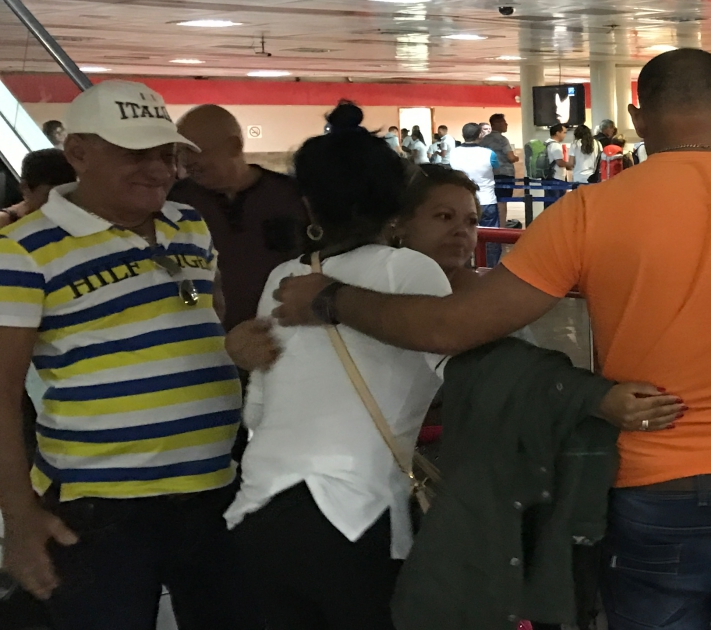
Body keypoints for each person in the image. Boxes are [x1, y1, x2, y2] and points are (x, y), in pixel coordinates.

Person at [257, 48, 711, 630]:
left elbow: (453, 326)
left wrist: (333, 298)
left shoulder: (589, 211)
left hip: (649, 487)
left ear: (635, 117)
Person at [0, 80, 260, 629]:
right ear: (79, 154)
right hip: (101, 509)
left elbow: (197, 296)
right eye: (135, 154)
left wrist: (198, 299)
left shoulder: (187, 225)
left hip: (214, 489)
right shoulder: (23, 250)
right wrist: (19, 518)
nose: (158, 169)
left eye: (165, 154)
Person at [226, 102, 449, 630]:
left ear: (307, 204)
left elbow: (256, 414)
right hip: (355, 513)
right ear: (398, 202)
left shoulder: (283, 276)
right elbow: (457, 368)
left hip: (260, 508)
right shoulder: (412, 272)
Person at [173, 104, 309, 331]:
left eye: (195, 150)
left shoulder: (290, 196)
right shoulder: (175, 202)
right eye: (180, 152)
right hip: (205, 337)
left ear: (233, 146)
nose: (186, 161)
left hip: (284, 335)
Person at [447, 122, 502, 267]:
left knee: (462, 236)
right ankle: (488, 269)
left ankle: (464, 269)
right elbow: (497, 170)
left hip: (462, 202)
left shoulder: (453, 153)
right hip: (487, 200)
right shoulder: (489, 154)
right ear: (480, 135)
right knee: (490, 239)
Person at [0, 149, 75, 229]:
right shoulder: (4, 223)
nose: (58, 202)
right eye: (49, 196)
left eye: (66, 195)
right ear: (24, 187)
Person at [478, 113, 519, 223]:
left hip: (488, 174)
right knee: (502, 203)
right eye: (504, 122)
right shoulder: (502, 139)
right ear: (496, 123)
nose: (506, 124)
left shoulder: (484, 140)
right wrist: (516, 158)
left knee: (491, 202)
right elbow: (510, 157)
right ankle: (501, 229)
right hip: (504, 175)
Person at [544, 123, 570, 206]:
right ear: (557, 133)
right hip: (556, 178)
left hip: (547, 177)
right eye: (564, 133)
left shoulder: (546, 143)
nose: (565, 135)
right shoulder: (555, 146)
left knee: (549, 204)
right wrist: (570, 165)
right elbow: (560, 163)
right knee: (556, 205)